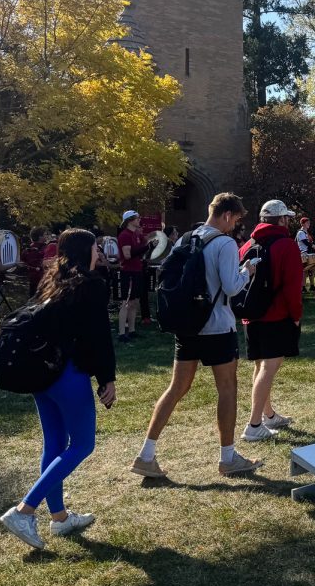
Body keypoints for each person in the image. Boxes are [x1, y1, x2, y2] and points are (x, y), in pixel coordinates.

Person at [0, 228, 117, 549]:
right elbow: (98, 337)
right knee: (82, 445)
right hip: (66, 374)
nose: (99, 252)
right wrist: (107, 377)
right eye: (95, 247)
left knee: (54, 445)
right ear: (86, 251)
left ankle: (60, 518)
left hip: (42, 372)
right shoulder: (91, 285)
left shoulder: (51, 280)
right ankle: (24, 510)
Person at [131, 193, 261, 478]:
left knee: (176, 388)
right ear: (227, 215)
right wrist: (247, 271)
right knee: (227, 389)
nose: (236, 225)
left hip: (187, 324)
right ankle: (227, 457)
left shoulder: (186, 238)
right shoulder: (224, 243)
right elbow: (231, 287)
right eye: (237, 219)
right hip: (216, 326)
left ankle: (146, 453)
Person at [239, 199, 304, 442]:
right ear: (281, 219)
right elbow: (292, 286)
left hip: (251, 314)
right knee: (268, 368)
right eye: (286, 217)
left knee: (259, 367)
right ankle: (254, 424)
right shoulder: (286, 245)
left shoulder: (248, 244)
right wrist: (296, 316)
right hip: (276, 315)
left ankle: (267, 415)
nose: (289, 220)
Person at [116, 210, 150, 344]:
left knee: (134, 301)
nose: (139, 220)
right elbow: (128, 255)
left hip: (137, 270)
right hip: (128, 271)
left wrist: (150, 245)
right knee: (126, 302)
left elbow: (145, 246)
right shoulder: (125, 235)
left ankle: (132, 330)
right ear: (130, 220)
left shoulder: (136, 234)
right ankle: (121, 333)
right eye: (137, 218)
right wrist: (146, 247)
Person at [21, 228, 49, 298]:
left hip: (32, 279)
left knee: (32, 299)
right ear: (40, 237)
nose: (47, 236)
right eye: (45, 235)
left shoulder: (27, 250)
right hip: (44, 279)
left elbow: (23, 263)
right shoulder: (46, 248)